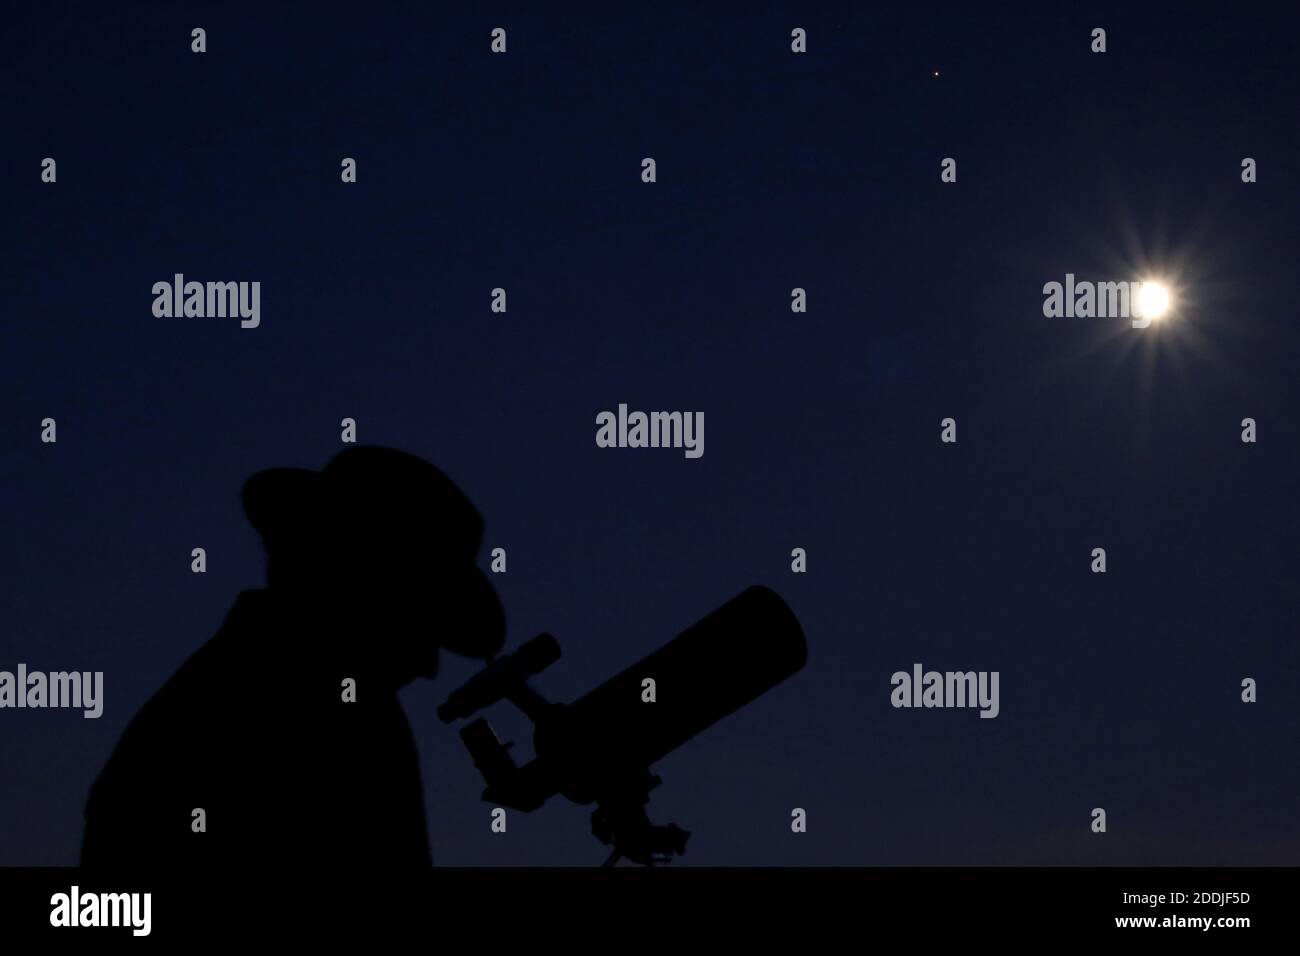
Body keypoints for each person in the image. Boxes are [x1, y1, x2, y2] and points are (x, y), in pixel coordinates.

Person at [81, 446, 506, 866]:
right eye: (418, 618)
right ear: (354, 577)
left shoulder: (232, 689)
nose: (428, 667)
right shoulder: (339, 712)